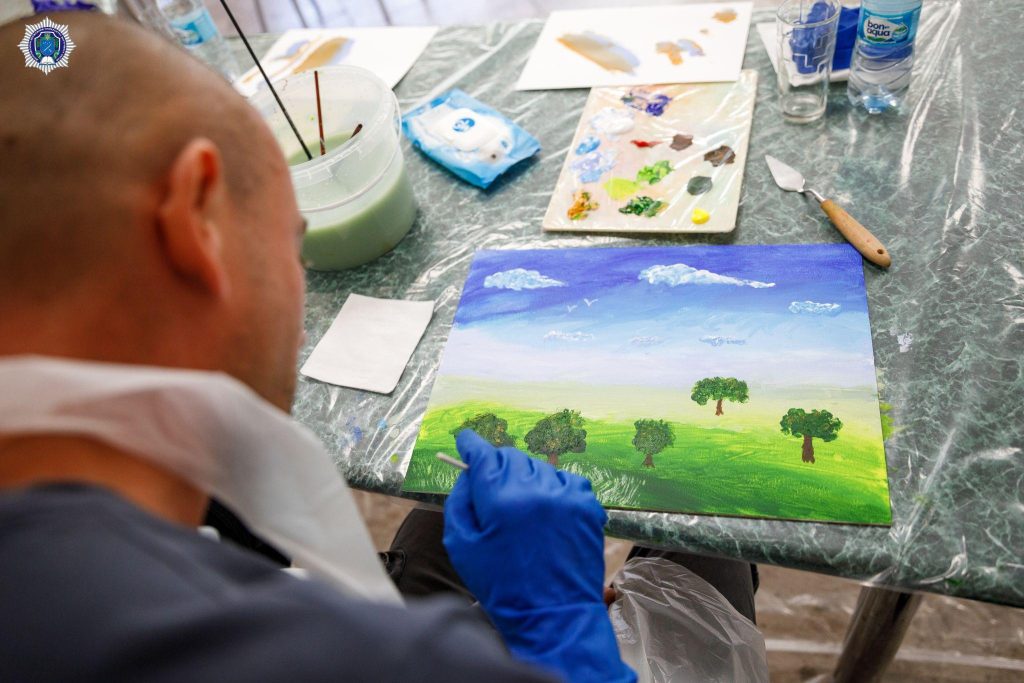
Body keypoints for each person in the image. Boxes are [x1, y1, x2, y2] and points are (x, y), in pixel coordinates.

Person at [0, 12, 754, 683]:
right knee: (709, 541)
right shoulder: (343, 656)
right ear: (197, 221)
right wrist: (564, 634)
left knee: (434, 525)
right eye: (291, 242)